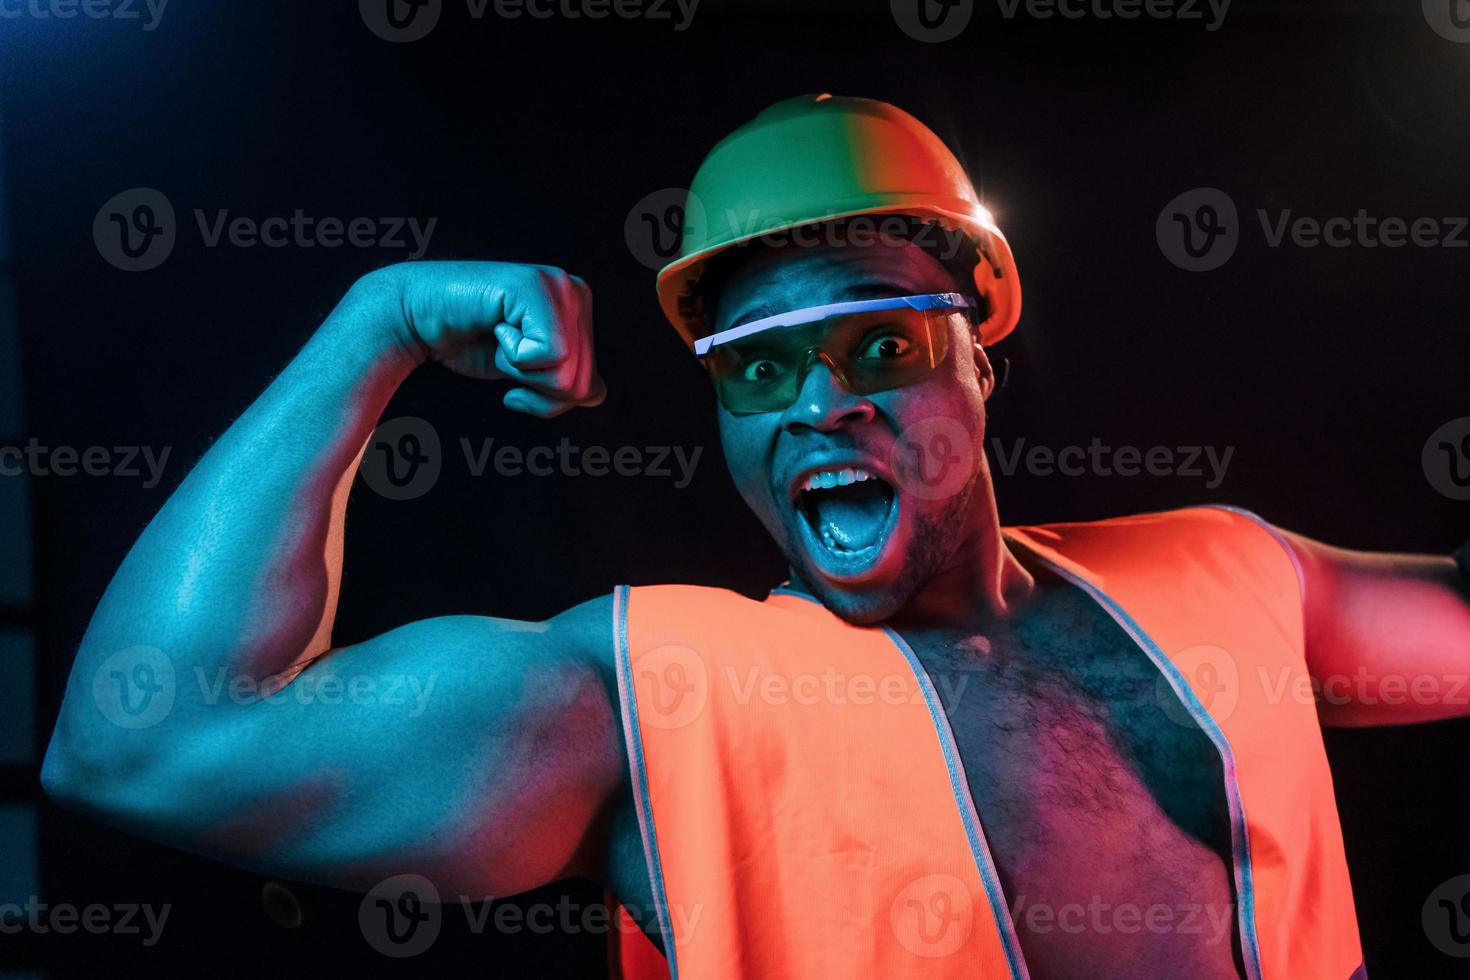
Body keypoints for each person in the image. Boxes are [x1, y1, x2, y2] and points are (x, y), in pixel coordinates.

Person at [42, 94, 1470, 980]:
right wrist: (377, 326)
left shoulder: (1230, 576)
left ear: (984, 361)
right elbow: (144, 744)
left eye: (880, 343)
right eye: (760, 369)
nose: (821, 407)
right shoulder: (647, 700)